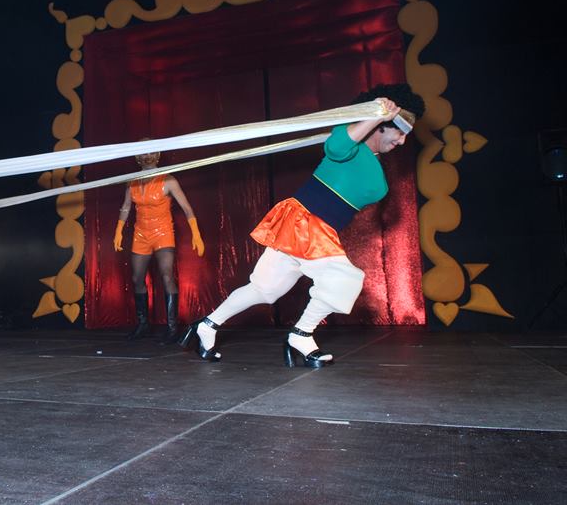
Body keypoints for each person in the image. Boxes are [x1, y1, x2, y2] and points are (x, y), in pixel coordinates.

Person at [180, 84, 425, 366]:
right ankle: (301, 335)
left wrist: (380, 120)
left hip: (314, 230)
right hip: (305, 222)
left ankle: (207, 325)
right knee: (344, 278)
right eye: (400, 132)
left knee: (265, 290)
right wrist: (375, 114)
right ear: (381, 126)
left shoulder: (371, 161)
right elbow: (335, 147)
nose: (403, 142)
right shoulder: (348, 144)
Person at [114, 148, 205, 344]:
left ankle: (172, 328)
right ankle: (143, 324)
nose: (147, 156)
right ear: (138, 157)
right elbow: (126, 206)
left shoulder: (168, 180)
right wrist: (118, 230)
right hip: (141, 233)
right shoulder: (132, 181)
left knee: (166, 274)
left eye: (151, 152)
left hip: (163, 232)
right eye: (143, 153)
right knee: (137, 278)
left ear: (157, 155)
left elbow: (186, 207)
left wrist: (195, 233)